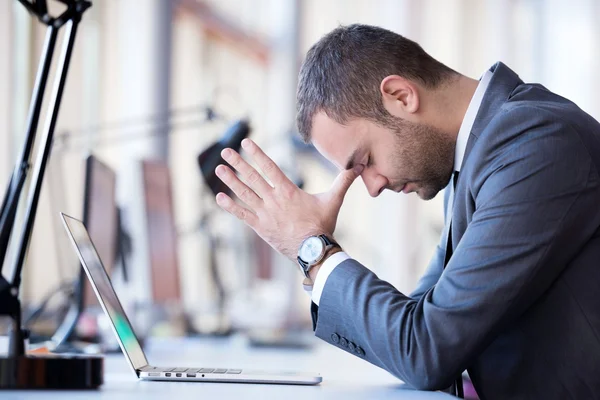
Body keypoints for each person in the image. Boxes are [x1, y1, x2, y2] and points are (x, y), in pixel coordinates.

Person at [213, 24, 600, 400]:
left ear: (400, 95)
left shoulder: (534, 145)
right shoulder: (477, 156)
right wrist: (314, 250)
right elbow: (413, 328)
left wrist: (313, 250)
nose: (373, 186)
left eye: (365, 161)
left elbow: (426, 349)